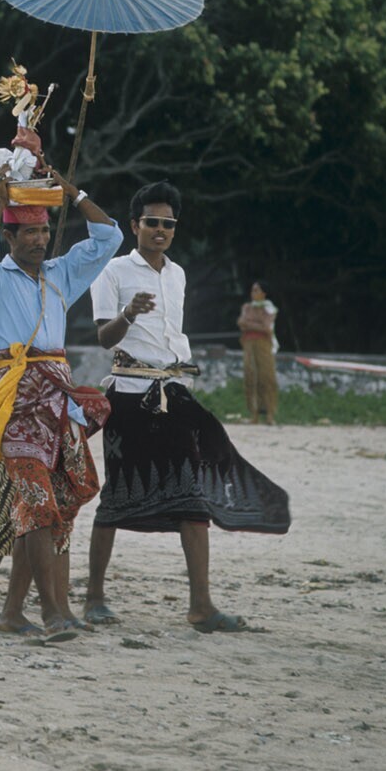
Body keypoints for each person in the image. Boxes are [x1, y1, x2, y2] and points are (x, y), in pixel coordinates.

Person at [86, 181, 290, 632]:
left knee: (193, 498)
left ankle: (201, 606)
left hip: (174, 391)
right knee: (116, 496)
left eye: (168, 223)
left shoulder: (177, 274)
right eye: (152, 222)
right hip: (129, 393)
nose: (160, 230)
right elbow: (102, 337)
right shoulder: (112, 271)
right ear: (135, 225)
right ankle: (94, 598)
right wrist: (129, 314)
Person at [0, 168, 120, 642]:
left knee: (58, 506)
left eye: (43, 230)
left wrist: (75, 195)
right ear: (9, 237)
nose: (39, 239)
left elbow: (109, 237)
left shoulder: (59, 275)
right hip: (15, 404)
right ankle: (52, 611)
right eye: (29, 232)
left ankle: (17, 612)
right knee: (35, 505)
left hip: (59, 405)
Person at [238, 282, 280, 424]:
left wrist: (249, 324)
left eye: (256, 290)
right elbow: (241, 322)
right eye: (252, 290)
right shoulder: (247, 307)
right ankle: (254, 414)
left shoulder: (269, 308)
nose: (253, 293)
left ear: (264, 293)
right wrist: (257, 324)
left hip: (264, 345)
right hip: (249, 344)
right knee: (250, 377)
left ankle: (270, 414)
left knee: (266, 377)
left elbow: (267, 327)